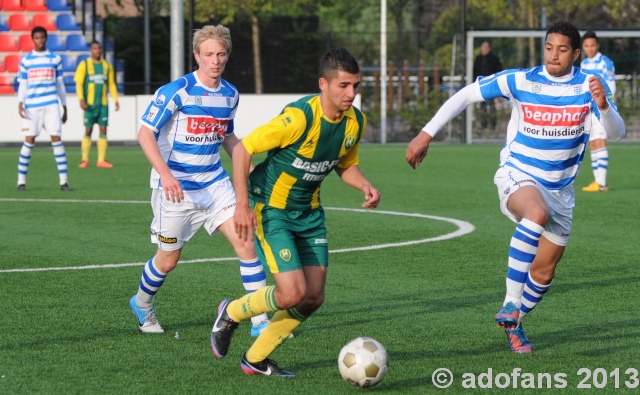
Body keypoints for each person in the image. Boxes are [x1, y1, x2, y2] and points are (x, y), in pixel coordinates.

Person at [406, 21, 624, 354]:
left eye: (562, 49)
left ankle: (515, 321)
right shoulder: (521, 79)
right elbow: (467, 94)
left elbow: (617, 133)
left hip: (562, 191)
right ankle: (510, 302)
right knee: (534, 213)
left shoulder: (589, 86)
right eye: (549, 47)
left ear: (576, 54)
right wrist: (426, 134)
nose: (554, 55)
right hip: (518, 175)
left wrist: (604, 105)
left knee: (545, 272)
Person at [210, 47, 381, 377]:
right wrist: (242, 206)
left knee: (313, 297)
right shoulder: (299, 118)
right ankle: (231, 311)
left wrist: (364, 185)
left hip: (310, 213)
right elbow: (243, 150)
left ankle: (255, 359)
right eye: (344, 86)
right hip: (272, 209)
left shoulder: (355, 122)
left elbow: (344, 165)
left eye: (356, 86)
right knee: (291, 293)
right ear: (324, 84)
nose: (351, 93)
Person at [129, 24, 273, 337]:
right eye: (208, 54)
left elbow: (227, 137)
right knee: (167, 261)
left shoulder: (230, 95)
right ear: (197, 56)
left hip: (216, 185)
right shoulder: (176, 91)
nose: (215, 60)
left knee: (247, 242)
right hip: (176, 190)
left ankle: (260, 321)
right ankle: (142, 303)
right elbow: (145, 133)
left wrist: (247, 164)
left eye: (221, 54)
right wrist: (166, 174)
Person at [15, 26, 70, 192]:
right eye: (36, 38)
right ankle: (21, 181)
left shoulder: (55, 58)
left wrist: (64, 105)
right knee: (29, 141)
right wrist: (20, 102)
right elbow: (23, 84)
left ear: (46, 39)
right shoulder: (26, 60)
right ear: (33, 40)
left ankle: (63, 181)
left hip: (51, 104)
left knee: (56, 140)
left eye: (42, 37)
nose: (40, 40)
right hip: (32, 106)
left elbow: (60, 84)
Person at [580, 31, 617, 192]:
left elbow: (611, 86)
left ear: (598, 45)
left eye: (592, 45)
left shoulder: (605, 62)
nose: (590, 49)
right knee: (593, 143)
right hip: (589, 110)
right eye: (587, 46)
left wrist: (606, 107)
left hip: (601, 110)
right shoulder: (584, 64)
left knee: (600, 141)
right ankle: (598, 181)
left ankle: (602, 183)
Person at [75, 40, 120, 169]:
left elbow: (111, 84)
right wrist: (81, 99)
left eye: (99, 48)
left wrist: (116, 99)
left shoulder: (107, 66)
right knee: (88, 130)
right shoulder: (84, 64)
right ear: (91, 50)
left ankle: (101, 160)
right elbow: (78, 83)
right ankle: (84, 159)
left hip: (103, 105)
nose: (98, 51)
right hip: (89, 104)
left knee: (103, 129)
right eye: (95, 48)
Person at [472, 41, 503, 130]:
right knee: (482, 105)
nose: (485, 49)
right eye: (484, 47)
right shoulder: (478, 59)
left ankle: (493, 125)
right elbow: (475, 73)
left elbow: (499, 72)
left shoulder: (494, 59)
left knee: (492, 106)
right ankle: (483, 124)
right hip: (481, 86)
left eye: (487, 47)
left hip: (492, 86)